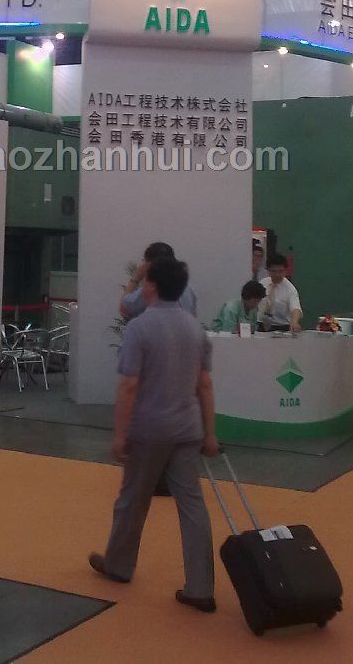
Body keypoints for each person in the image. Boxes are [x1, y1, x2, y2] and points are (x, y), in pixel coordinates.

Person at [89, 256, 219, 612]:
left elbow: (129, 386)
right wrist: (210, 434)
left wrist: (120, 435)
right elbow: (205, 385)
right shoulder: (196, 329)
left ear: (152, 286)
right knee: (192, 506)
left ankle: (119, 565)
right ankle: (200, 587)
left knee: (132, 500)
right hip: (188, 429)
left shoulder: (140, 328)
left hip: (149, 429)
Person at [121, 242, 198, 319]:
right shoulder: (189, 289)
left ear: (149, 265)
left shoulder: (152, 289)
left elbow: (124, 308)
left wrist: (135, 279)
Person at [258, 254, 302, 332]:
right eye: (273, 271)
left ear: (286, 270)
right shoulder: (262, 283)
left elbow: (296, 308)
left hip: (281, 327)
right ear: (268, 270)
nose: (277, 275)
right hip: (260, 324)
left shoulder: (290, 289)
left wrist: (294, 322)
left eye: (280, 271)